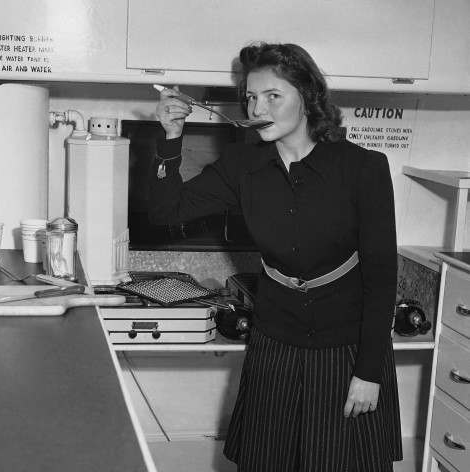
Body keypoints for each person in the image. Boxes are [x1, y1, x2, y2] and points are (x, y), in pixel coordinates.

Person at [149, 43, 402, 471]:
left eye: (272, 95)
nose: (257, 106)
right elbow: (166, 211)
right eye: (250, 96)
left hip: (344, 349)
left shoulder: (363, 168)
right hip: (275, 344)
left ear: (307, 96)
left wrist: (370, 372)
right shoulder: (242, 165)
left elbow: (381, 278)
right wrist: (171, 139)